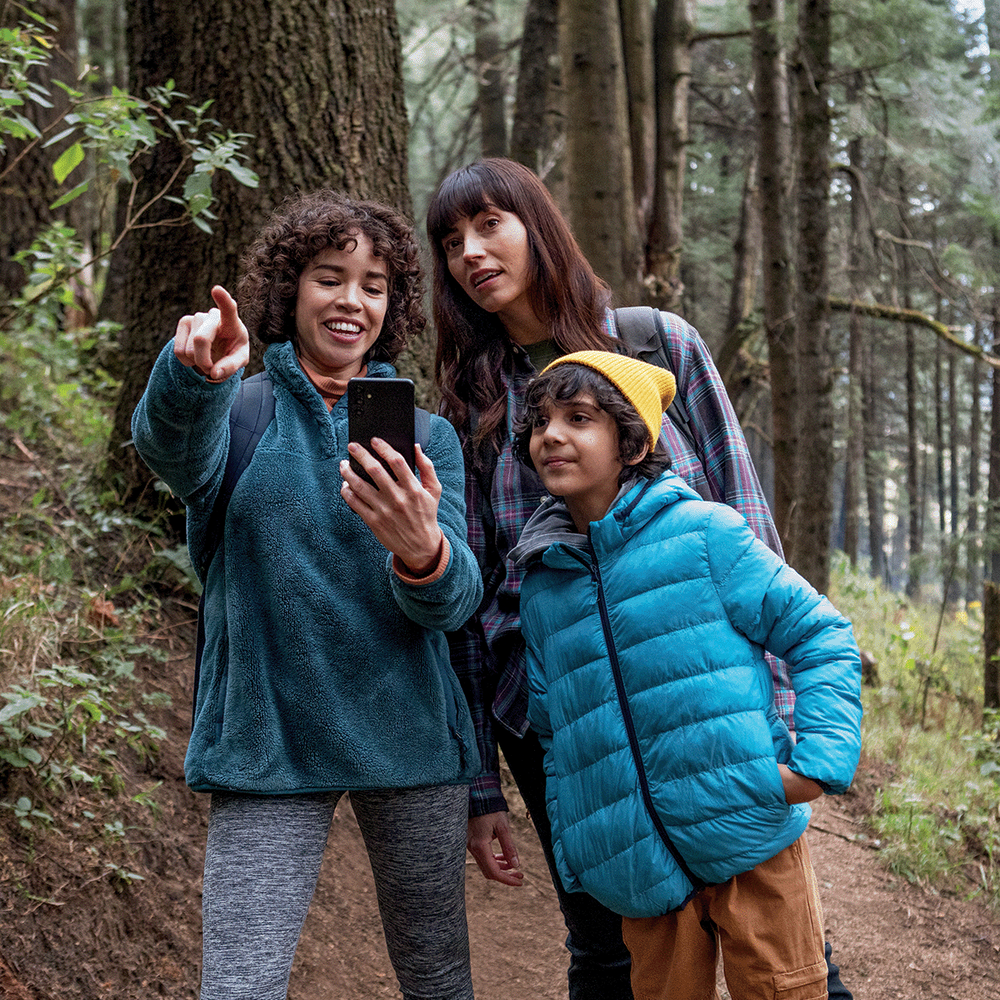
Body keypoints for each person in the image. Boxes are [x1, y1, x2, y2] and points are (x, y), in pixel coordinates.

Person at [426, 156, 853, 999]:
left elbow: (745, 518)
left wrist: (786, 718)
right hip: (565, 722)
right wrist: (482, 785)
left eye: (488, 224)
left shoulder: (658, 343)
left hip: (706, 698)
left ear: (537, 227)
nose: (470, 252)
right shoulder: (470, 408)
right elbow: (468, 612)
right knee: (610, 954)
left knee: (787, 956)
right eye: (450, 240)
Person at [132, 190, 483, 1000]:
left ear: (391, 307)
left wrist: (423, 551)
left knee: (437, 979)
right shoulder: (238, 412)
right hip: (269, 740)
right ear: (291, 290)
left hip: (411, 740)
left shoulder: (428, 439)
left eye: (373, 285)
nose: (351, 300)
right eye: (330, 278)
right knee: (239, 986)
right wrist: (190, 379)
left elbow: (454, 604)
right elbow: (167, 447)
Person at [508, 351, 862, 1000]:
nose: (550, 435)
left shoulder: (705, 535)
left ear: (632, 442)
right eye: (539, 422)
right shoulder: (541, 585)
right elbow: (554, 732)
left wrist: (817, 764)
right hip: (638, 870)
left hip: (750, 836)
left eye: (578, 418)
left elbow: (822, 636)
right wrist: (579, 846)